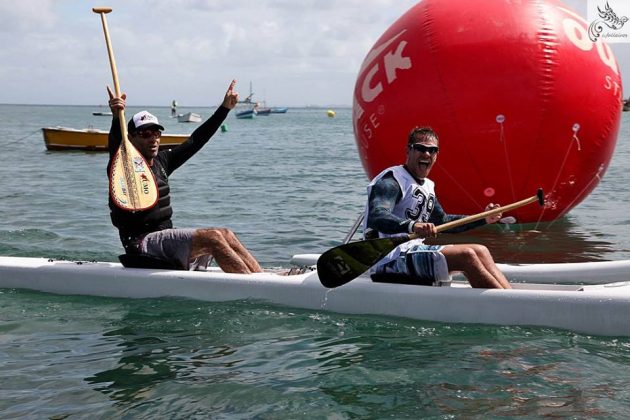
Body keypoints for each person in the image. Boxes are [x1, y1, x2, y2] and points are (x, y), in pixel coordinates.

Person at [107, 80, 263, 274]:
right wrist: (116, 118)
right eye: (146, 133)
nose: (154, 139)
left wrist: (224, 109)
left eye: (157, 133)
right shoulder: (123, 168)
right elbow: (115, 148)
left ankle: (262, 277)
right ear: (131, 138)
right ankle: (255, 285)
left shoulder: (163, 161)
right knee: (212, 237)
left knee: (226, 234)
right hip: (141, 244)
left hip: (165, 237)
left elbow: (196, 140)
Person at [363, 126, 511, 289]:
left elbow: (443, 222)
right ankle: (506, 307)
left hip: (412, 251)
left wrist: (483, 218)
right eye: (420, 148)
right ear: (408, 151)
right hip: (388, 259)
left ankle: (510, 297)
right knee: (466, 255)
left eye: (432, 150)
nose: (426, 154)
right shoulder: (392, 180)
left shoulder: (428, 186)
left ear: (436, 155)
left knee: (481, 250)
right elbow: (377, 216)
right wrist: (413, 226)